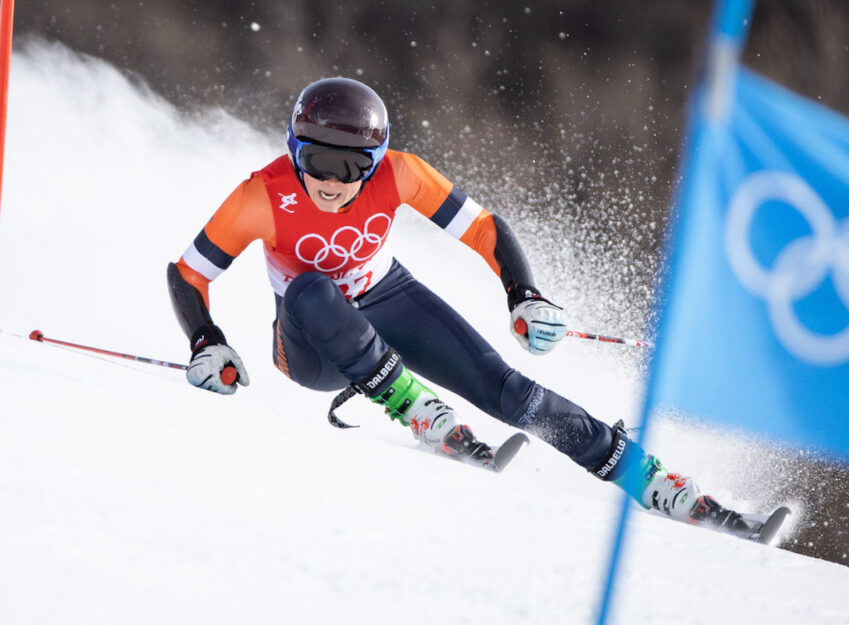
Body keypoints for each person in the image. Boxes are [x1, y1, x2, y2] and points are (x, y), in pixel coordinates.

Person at [167, 77, 745, 532]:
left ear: (376, 162)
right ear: (293, 148)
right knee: (311, 286)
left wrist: (523, 293)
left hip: (387, 296)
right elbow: (189, 273)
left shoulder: (401, 174)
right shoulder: (262, 196)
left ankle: (649, 479)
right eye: (318, 160)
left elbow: (484, 228)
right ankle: (415, 406)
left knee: (508, 388)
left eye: (352, 167)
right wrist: (205, 341)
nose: (333, 181)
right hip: (311, 346)